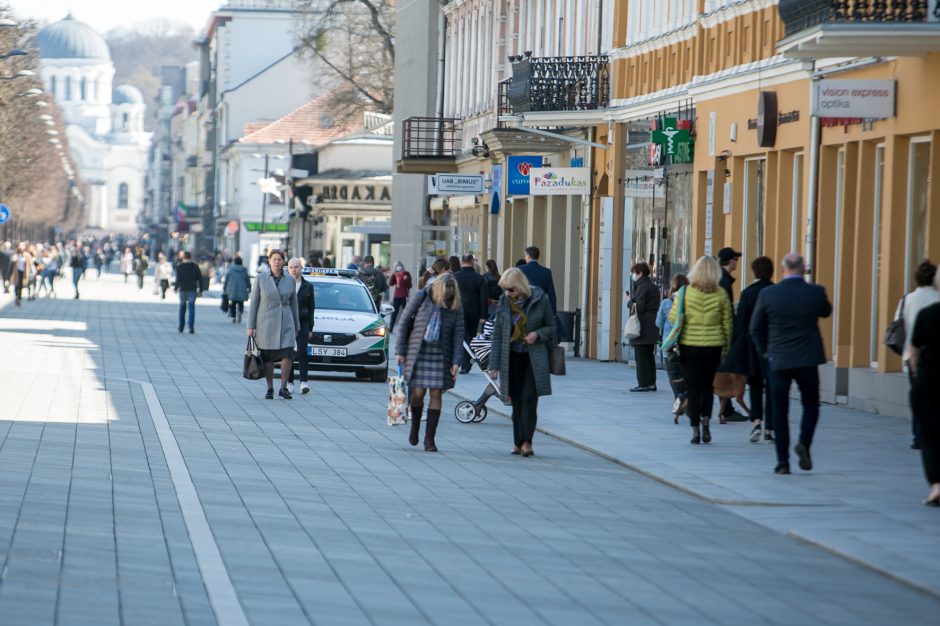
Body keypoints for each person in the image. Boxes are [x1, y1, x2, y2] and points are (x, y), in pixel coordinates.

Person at [750, 253, 832, 475]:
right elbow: (826, 311)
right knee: (811, 404)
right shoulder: (815, 292)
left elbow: (755, 328)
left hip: (778, 359)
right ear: (803, 268)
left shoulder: (769, 294)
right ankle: (804, 442)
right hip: (807, 359)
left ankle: (782, 462)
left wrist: (766, 351)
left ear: (784, 269)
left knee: (779, 409)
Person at [488, 268, 556, 457]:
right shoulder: (504, 302)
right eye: (505, 290)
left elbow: (551, 326)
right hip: (511, 357)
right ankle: (517, 441)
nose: (508, 294)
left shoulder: (539, 298)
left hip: (534, 357)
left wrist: (538, 334)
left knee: (529, 399)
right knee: (516, 400)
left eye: (511, 290)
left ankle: (527, 442)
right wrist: (493, 365)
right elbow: (497, 335)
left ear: (520, 286)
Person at [395, 275, 464, 451]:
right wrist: (400, 351)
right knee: (417, 393)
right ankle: (415, 427)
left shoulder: (454, 304)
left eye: (450, 296)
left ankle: (429, 439)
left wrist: (457, 361)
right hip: (418, 352)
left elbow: (458, 333)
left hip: (441, 354)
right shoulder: (422, 296)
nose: (447, 299)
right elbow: (403, 323)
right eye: (445, 295)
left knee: (436, 393)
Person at [669, 256, 732, 445]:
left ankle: (695, 430)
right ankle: (706, 423)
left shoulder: (684, 293)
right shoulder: (721, 294)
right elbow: (728, 325)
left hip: (690, 347)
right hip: (713, 347)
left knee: (692, 388)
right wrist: (726, 350)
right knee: (707, 387)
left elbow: (674, 318)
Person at [724, 256, 776, 443]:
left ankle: (756, 422)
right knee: (771, 387)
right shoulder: (775, 291)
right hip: (773, 346)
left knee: (754, 386)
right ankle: (770, 428)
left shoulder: (748, 293)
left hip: (753, 346)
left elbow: (740, 323)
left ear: (754, 272)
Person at [895, 260, 939, 449]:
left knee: (918, 396)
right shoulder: (937, 299)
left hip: (911, 353)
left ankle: (917, 436)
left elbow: (898, 322)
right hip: (934, 355)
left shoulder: (907, 298)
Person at [247, 250, 300, 400]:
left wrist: (297, 326)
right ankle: (270, 388)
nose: (277, 262)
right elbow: (254, 304)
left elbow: (294, 304)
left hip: (286, 322)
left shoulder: (290, 280)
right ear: (269, 261)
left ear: (283, 262)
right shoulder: (261, 278)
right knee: (268, 357)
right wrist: (250, 327)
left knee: (287, 354)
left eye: (280, 259)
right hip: (266, 322)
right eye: (274, 259)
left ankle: (283, 388)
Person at [909, 270, 940, 506]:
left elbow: (913, 349)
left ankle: (936, 485)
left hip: (929, 381)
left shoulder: (928, 315)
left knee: (929, 436)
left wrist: (917, 375)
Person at [716, 246, 747, 422]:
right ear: (730, 260)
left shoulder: (722, 279)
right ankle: (726, 410)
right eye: (736, 258)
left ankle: (726, 409)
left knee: (721, 371)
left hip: (717, 334)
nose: (737, 262)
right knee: (724, 370)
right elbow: (725, 312)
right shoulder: (724, 281)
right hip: (722, 335)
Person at [656, 273, 689, 418]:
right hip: (686, 343)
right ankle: (685, 398)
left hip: (669, 344)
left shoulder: (665, 303)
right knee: (686, 375)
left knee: (672, 375)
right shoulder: (690, 302)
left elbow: (658, 323)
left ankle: (678, 398)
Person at [626, 261, 661, 392]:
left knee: (641, 357)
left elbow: (639, 307)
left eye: (634, 273)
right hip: (652, 325)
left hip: (642, 326)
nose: (633, 275)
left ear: (640, 273)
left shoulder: (642, 287)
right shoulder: (653, 286)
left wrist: (629, 302)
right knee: (649, 356)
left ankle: (643, 383)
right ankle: (652, 383)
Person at [453, 254, 489, 373]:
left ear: (462, 262)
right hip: (474, 312)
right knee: (472, 337)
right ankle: (468, 363)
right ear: (473, 262)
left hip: (458, 311)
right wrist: (483, 315)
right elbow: (483, 298)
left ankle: (465, 364)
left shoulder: (455, 277)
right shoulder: (479, 278)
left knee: (462, 337)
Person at [519, 245, 564, 340]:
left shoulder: (520, 269)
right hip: (541, 308)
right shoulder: (546, 272)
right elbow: (552, 294)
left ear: (528, 256)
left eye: (525, 255)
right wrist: (553, 312)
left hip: (524, 307)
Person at [287, 257, 315, 395]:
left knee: (302, 352)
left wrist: (311, 328)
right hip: (287, 323)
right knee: (289, 353)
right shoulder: (284, 284)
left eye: (296, 267)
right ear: (288, 269)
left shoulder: (308, 286)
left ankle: (304, 382)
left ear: (301, 268)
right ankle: (290, 381)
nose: (294, 270)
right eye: (291, 267)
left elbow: (311, 308)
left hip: (303, 323)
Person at [174, 251, 202, 334]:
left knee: (182, 308)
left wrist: (176, 287)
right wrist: (200, 289)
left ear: (183, 257)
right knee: (191, 308)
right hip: (192, 289)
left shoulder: (180, 267)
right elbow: (199, 278)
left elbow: (178, 279)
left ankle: (181, 326)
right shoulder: (195, 267)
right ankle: (191, 326)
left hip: (183, 289)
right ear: (190, 257)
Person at [223, 256, 251, 323]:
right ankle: (240, 312)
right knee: (241, 303)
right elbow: (247, 279)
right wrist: (249, 287)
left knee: (233, 303)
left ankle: (234, 317)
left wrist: (225, 288)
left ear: (234, 262)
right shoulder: (244, 270)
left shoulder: (231, 269)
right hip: (242, 289)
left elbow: (226, 280)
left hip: (233, 289)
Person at [388, 261, 412, 331]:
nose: (398, 268)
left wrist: (405, 278)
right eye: (396, 266)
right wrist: (393, 274)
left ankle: (408, 327)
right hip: (397, 295)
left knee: (406, 312)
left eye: (399, 266)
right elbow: (391, 283)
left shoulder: (406, 274)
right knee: (394, 312)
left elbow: (409, 285)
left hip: (404, 295)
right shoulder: (395, 274)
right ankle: (391, 328)